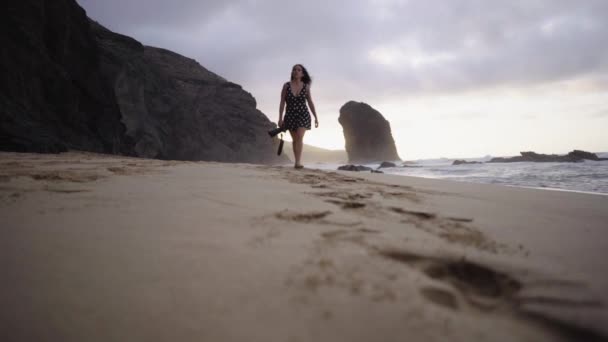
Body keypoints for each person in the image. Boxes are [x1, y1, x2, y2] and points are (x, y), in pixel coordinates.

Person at [278, 64, 319, 169]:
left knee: (300, 136)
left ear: (302, 73)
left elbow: (310, 101)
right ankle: (297, 161)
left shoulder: (306, 86)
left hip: (303, 114)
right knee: (295, 139)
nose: (296, 71)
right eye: (294, 70)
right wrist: (280, 118)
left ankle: (298, 162)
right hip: (290, 115)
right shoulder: (286, 86)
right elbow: (282, 102)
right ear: (292, 73)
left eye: (298, 70)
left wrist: (315, 117)